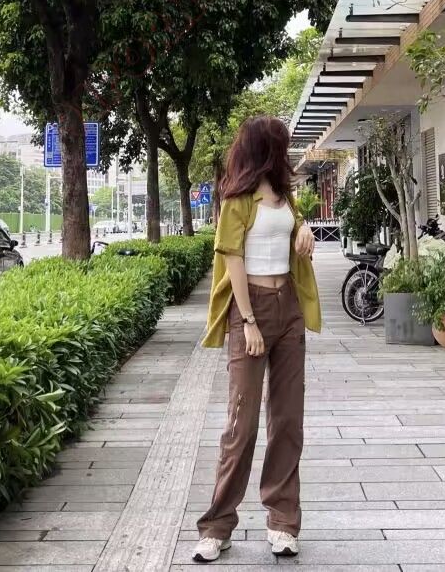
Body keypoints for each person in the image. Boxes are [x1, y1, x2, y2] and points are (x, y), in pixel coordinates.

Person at [192, 115, 321, 563]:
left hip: (288, 309)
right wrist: (247, 321)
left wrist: (303, 228)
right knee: (241, 423)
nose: (286, 151)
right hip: (251, 310)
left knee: (287, 420)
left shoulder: (285, 196)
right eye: (281, 144)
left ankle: (283, 522)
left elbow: (294, 228)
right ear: (266, 148)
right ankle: (217, 526)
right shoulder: (236, 200)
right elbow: (232, 260)